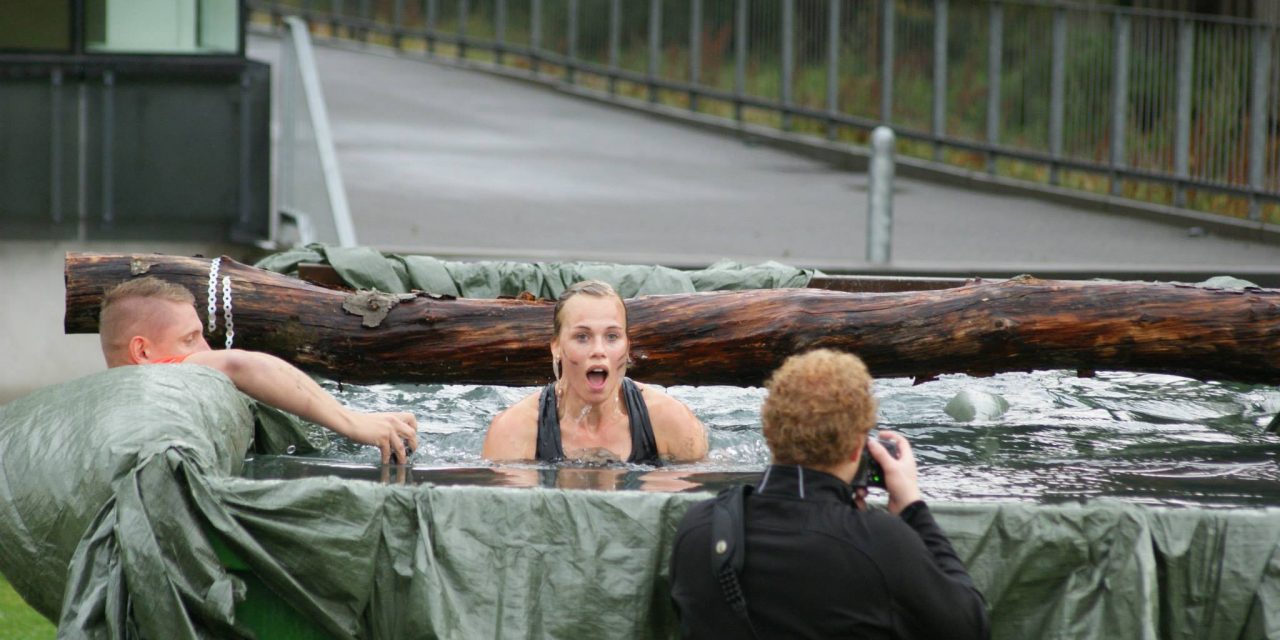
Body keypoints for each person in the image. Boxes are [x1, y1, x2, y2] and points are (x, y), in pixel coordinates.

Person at [669, 349, 989, 639]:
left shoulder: (698, 530)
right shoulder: (881, 543)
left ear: (768, 432)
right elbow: (971, 627)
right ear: (857, 448)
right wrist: (913, 508)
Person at [99, 277, 419, 464]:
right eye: (189, 339)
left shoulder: (106, 403)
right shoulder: (153, 378)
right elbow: (242, 364)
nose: (205, 351)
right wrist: (353, 423)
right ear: (142, 351)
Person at [482, 280, 707, 465]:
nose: (598, 351)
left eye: (612, 337)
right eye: (582, 337)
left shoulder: (672, 423)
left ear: (627, 346)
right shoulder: (514, 432)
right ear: (556, 346)